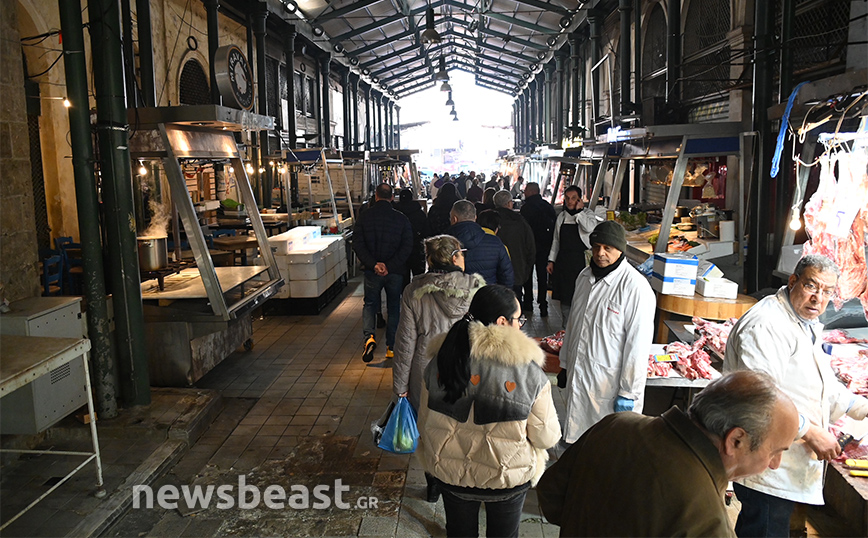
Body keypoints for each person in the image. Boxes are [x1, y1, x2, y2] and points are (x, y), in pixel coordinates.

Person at [537, 370, 800, 537]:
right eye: (775, 451)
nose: (775, 464)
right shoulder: (708, 521)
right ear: (736, 440)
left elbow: (550, 496)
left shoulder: (617, 424)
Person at [724, 254, 868, 537]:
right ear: (793, 281)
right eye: (811, 286)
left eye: (827, 291)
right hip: (765, 460)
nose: (818, 298)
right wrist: (811, 432)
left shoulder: (802, 321)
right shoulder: (767, 324)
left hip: (784, 459)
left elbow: (821, 383)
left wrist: (860, 406)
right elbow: (759, 396)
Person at [418, 285, 561, 538]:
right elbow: (546, 437)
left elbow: (424, 421)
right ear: (502, 322)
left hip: (452, 475)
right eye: (518, 320)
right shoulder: (528, 372)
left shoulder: (441, 360)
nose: (521, 326)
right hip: (507, 478)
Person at [558, 220, 656, 443]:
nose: (600, 253)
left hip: (609, 386)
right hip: (580, 375)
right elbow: (573, 325)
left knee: (608, 446)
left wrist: (628, 392)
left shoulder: (636, 288)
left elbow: (638, 346)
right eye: (596, 247)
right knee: (578, 442)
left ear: (620, 249)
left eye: (607, 248)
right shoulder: (584, 277)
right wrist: (564, 363)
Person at [393, 235, 486, 412]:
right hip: (466, 368)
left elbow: (405, 342)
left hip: (425, 370)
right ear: (454, 258)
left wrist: (400, 386)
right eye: (462, 253)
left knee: (426, 422)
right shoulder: (476, 289)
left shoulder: (413, 291)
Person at [352, 183, 413, 363]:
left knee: (370, 304)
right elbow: (407, 246)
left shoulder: (364, 217)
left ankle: (369, 338)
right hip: (395, 273)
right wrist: (390, 266)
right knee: (393, 307)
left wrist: (374, 265)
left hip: (372, 272)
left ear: (376, 196)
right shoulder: (401, 219)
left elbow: (357, 244)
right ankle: (391, 346)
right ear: (392, 197)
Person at [546, 186, 604, 323]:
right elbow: (556, 240)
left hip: (581, 263)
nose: (570, 201)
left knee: (582, 297)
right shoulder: (561, 217)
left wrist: (579, 212)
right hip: (564, 263)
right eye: (567, 198)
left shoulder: (588, 214)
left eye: (573, 198)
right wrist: (551, 261)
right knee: (565, 299)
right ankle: (565, 328)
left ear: (579, 199)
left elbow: (589, 228)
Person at [448, 201, 514, 287]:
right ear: (475, 218)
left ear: (454, 219)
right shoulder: (495, 242)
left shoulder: (444, 243)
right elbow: (507, 276)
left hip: (455, 294)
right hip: (487, 293)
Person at [493, 190, 535, 312]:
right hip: (517, 270)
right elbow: (530, 247)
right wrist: (526, 270)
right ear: (509, 204)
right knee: (515, 305)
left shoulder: (490, 220)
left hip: (494, 273)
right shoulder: (520, 222)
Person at [519, 182, 556, 317]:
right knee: (542, 276)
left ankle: (528, 302)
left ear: (532, 191)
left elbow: (523, 230)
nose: (524, 192)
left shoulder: (526, 208)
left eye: (526, 190)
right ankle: (543, 304)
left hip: (529, 247)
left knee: (528, 275)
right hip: (544, 247)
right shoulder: (547, 206)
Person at [394, 188, 431, 289]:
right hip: (417, 249)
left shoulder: (395, 214)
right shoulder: (420, 214)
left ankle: (405, 295)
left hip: (400, 250)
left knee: (403, 280)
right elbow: (427, 232)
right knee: (419, 279)